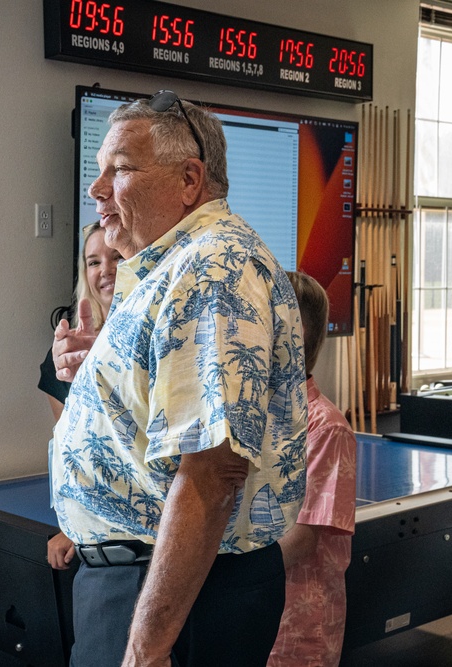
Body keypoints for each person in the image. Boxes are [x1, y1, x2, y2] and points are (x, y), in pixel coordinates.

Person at [50, 90, 307, 667]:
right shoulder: (177, 266)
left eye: (117, 171)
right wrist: (104, 369)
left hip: (175, 594)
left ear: (190, 180)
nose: (96, 191)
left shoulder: (213, 270)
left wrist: (147, 647)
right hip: (152, 582)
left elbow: (213, 473)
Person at [268, 272, 356, 667]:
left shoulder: (326, 427)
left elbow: (302, 540)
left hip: (298, 629)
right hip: (251, 613)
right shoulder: (252, 416)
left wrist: (222, 571)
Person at [40, 222, 121, 570]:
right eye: (93, 261)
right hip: (98, 540)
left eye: (116, 256)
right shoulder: (67, 353)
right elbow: (72, 452)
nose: (105, 270)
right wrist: (72, 525)